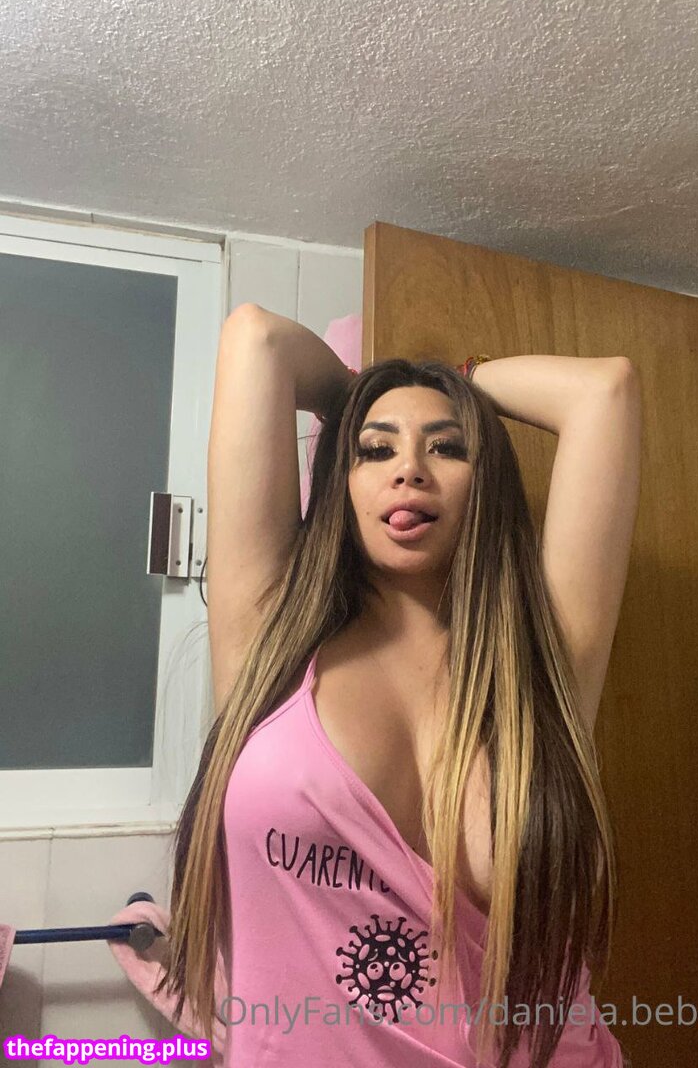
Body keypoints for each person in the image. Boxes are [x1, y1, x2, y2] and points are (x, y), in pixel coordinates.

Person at [156, 303, 636, 1068]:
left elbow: (605, 392)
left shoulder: (540, 668)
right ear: (340, 483)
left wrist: (460, 382)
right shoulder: (272, 647)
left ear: (486, 484)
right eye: (375, 450)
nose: (409, 468)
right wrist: (357, 393)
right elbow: (257, 339)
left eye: (447, 447)